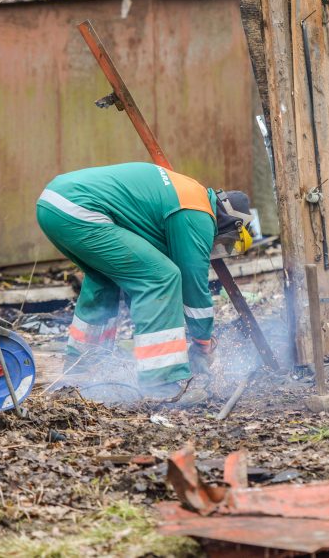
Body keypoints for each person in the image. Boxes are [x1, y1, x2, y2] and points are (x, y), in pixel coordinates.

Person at [35, 162, 254, 401]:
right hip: (80, 209)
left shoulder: (190, 194)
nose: (218, 248)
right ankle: (161, 385)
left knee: (104, 281)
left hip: (54, 202)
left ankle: (83, 369)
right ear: (232, 223)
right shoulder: (198, 214)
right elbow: (193, 287)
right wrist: (204, 343)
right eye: (227, 243)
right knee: (162, 278)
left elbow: (138, 288)